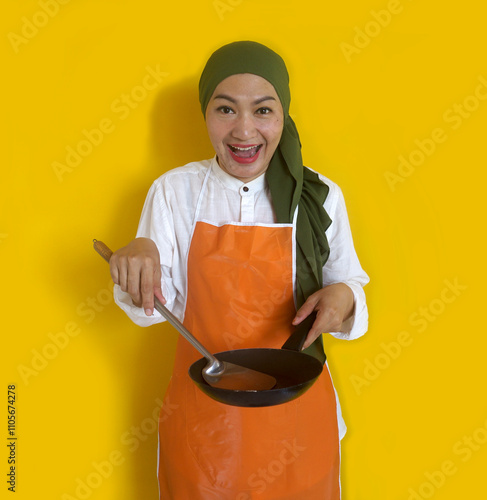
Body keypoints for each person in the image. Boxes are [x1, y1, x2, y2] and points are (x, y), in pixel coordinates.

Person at [110, 41, 369, 499]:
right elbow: (152, 309)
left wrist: (344, 298)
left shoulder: (320, 196)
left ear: (283, 115)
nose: (244, 129)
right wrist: (139, 266)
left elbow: (349, 286)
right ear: (205, 113)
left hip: (298, 422)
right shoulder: (174, 192)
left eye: (263, 110)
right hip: (203, 422)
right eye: (225, 109)